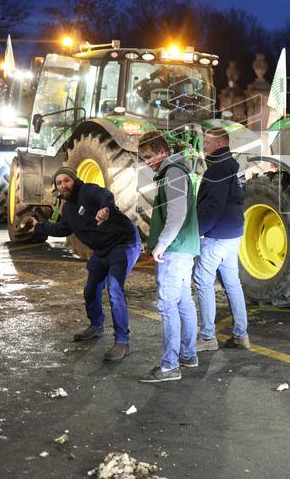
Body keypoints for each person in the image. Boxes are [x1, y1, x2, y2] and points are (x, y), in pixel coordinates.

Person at [18, 167, 141, 361]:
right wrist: (38, 228)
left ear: (75, 180)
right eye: (59, 183)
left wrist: (105, 208)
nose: (63, 185)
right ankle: (96, 325)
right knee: (90, 290)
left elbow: (104, 194)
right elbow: (62, 228)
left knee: (115, 289)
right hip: (101, 251)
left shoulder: (88, 191)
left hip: (123, 244)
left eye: (66, 180)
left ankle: (122, 342)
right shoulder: (68, 209)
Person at [138, 130, 200, 383]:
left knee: (167, 305)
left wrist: (161, 244)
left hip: (175, 250)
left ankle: (170, 366)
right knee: (184, 301)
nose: (147, 162)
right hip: (183, 248)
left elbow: (177, 214)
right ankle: (188, 355)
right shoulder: (176, 171)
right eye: (143, 158)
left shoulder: (173, 172)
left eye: (149, 156)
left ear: (163, 152)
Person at [193, 128, 249, 351]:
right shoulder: (236, 166)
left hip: (216, 237)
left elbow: (213, 208)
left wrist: (198, 231)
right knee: (232, 283)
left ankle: (207, 338)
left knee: (203, 281)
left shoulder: (216, 170)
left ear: (218, 144)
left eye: (207, 142)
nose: (204, 146)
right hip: (234, 233)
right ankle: (241, 335)